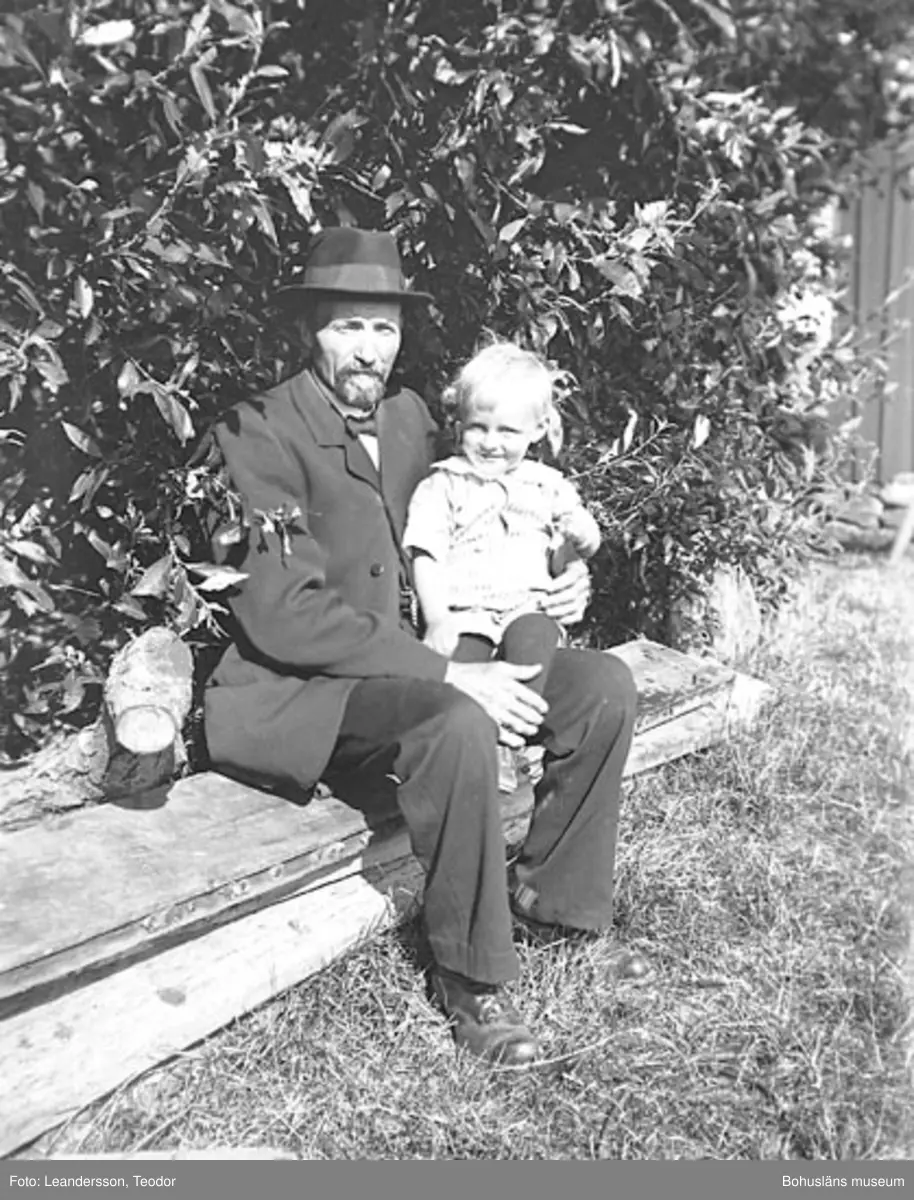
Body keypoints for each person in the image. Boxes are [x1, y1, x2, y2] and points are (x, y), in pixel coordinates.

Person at [203, 227, 647, 1068]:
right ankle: (472, 980)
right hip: (313, 691)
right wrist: (450, 673)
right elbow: (285, 615)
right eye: (348, 326)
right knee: (455, 719)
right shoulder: (258, 429)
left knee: (601, 689)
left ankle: (552, 907)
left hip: (426, 661)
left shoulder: (410, 416)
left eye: (384, 328)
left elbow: (481, 519)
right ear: (309, 329)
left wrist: (563, 578)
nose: (368, 349)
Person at [403, 341, 602, 701]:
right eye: (478, 427)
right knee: (459, 674)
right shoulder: (443, 484)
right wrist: (437, 619)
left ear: (538, 429)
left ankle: (518, 718)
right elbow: (425, 555)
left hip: (530, 606)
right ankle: (479, 723)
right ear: (459, 424)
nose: (490, 443)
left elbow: (584, 541)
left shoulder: (547, 485)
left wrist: (582, 537)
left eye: (507, 431)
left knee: (534, 648)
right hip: (465, 611)